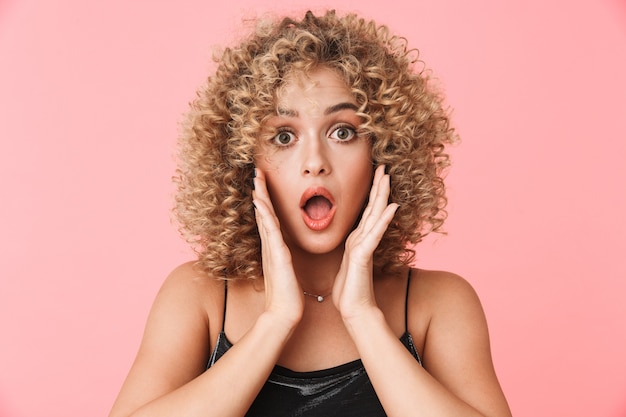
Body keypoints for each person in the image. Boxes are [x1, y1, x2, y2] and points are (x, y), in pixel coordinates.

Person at [109, 10, 511, 417]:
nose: (315, 162)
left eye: (343, 132)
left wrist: (363, 317)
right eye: (284, 136)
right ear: (244, 161)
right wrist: (276, 321)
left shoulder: (437, 305)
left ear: (383, 152)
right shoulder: (200, 296)